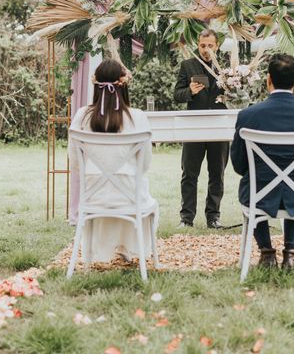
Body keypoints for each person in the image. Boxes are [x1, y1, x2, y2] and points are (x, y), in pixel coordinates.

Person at [230, 54, 294, 269]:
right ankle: (291, 253)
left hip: (259, 195)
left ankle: (266, 252)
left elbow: (238, 165)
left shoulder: (248, 116)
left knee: (254, 184)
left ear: (268, 80)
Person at [69, 59, 156, 262]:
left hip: (93, 195)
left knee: (118, 186)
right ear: (123, 84)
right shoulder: (138, 117)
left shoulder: (82, 116)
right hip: (129, 196)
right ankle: (132, 249)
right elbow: (145, 165)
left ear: (95, 84)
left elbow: (74, 161)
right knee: (141, 188)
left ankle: (97, 253)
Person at [173, 29, 229, 229]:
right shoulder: (187, 65)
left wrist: (231, 88)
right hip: (194, 127)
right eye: (202, 46)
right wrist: (189, 91)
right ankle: (186, 218)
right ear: (198, 45)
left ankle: (213, 217)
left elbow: (238, 92)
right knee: (189, 173)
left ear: (217, 46)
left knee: (217, 173)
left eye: (210, 46)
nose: (206, 50)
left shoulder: (227, 66)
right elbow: (176, 94)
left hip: (219, 127)